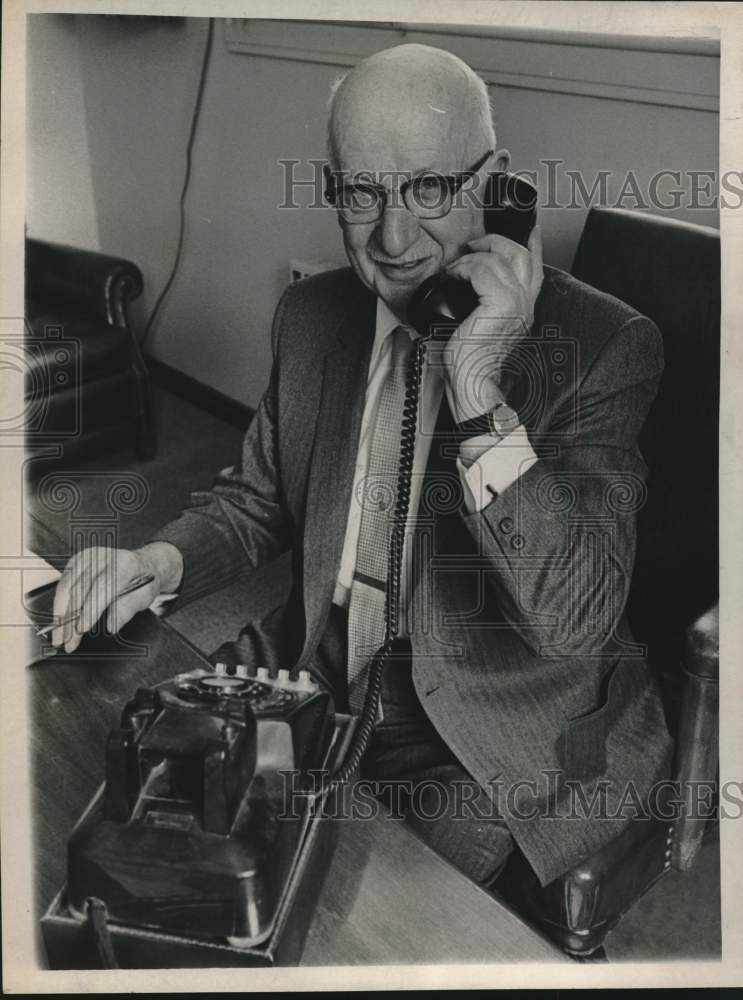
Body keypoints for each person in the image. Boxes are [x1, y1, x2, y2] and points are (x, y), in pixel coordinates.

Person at [52, 43, 673, 891]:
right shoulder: (312, 317)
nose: (391, 237)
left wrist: (475, 383)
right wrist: (154, 562)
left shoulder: (602, 346)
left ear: (492, 182)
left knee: (338, 903)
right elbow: (257, 502)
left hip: (489, 728)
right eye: (361, 193)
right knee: (140, 816)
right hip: (324, 660)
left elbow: (574, 618)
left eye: (428, 188)